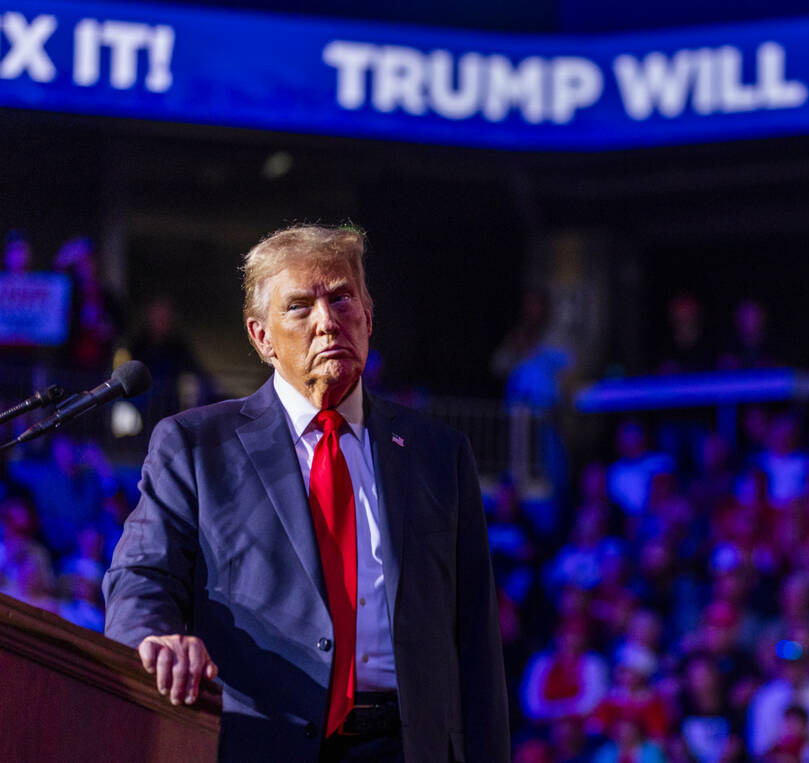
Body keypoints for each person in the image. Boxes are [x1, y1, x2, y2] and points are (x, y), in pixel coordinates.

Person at [103, 225, 509, 762]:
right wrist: (153, 637)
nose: (327, 321)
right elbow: (141, 575)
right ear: (261, 337)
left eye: (342, 298)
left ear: (367, 314)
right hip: (263, 742)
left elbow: (477, 644)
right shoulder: (196, 447)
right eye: (299, 306)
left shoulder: (438, 453)